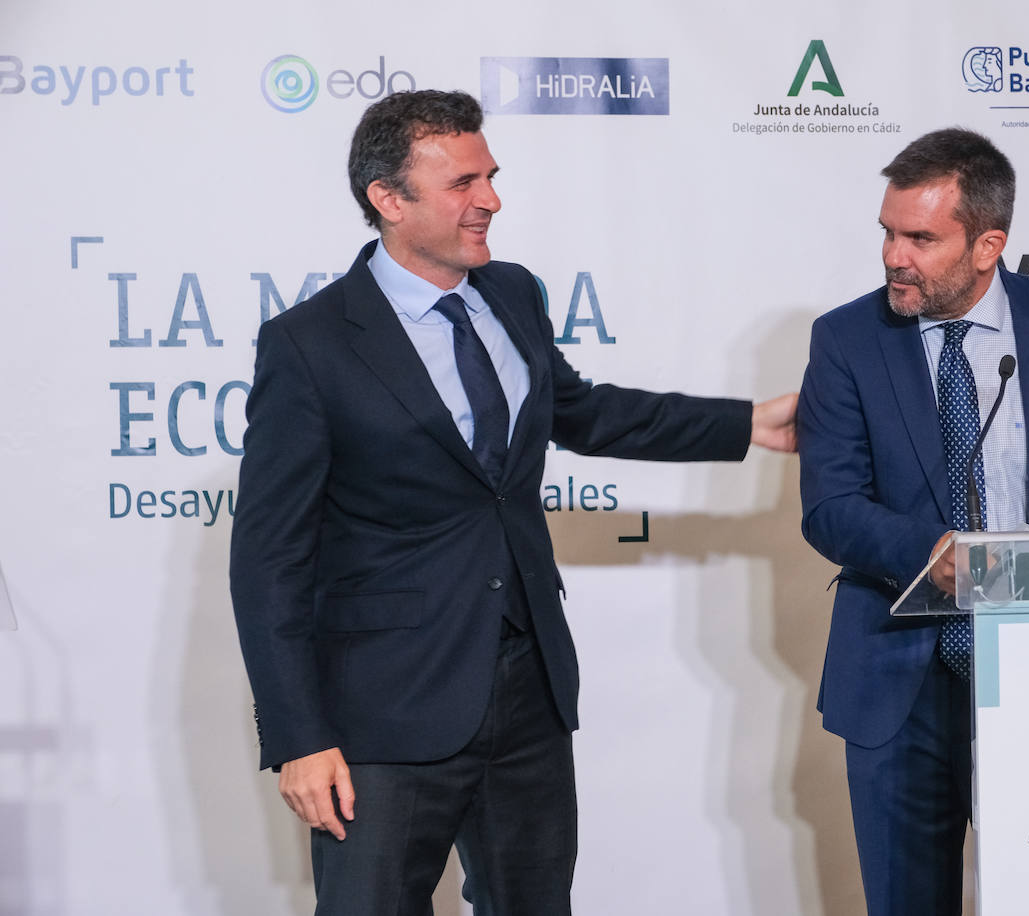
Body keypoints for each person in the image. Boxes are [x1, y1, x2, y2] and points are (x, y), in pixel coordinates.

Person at [228, 88, 796, 916]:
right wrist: (299, 738)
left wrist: (747, 423)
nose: (490, 199)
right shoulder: (308, 344)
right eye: (463, 182)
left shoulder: (513, 292)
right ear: (388, 199)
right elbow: (268, 559)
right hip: (384, 712)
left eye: (490, 177)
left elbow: (581, 410)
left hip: (528, 688)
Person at [796, 128, 1029, 915]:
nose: (894, 256)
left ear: (988, 244)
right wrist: (929, 551)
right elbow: (829, 508)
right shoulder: (846, 340)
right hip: (901, 680)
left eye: (920, 239)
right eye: (888, 233)